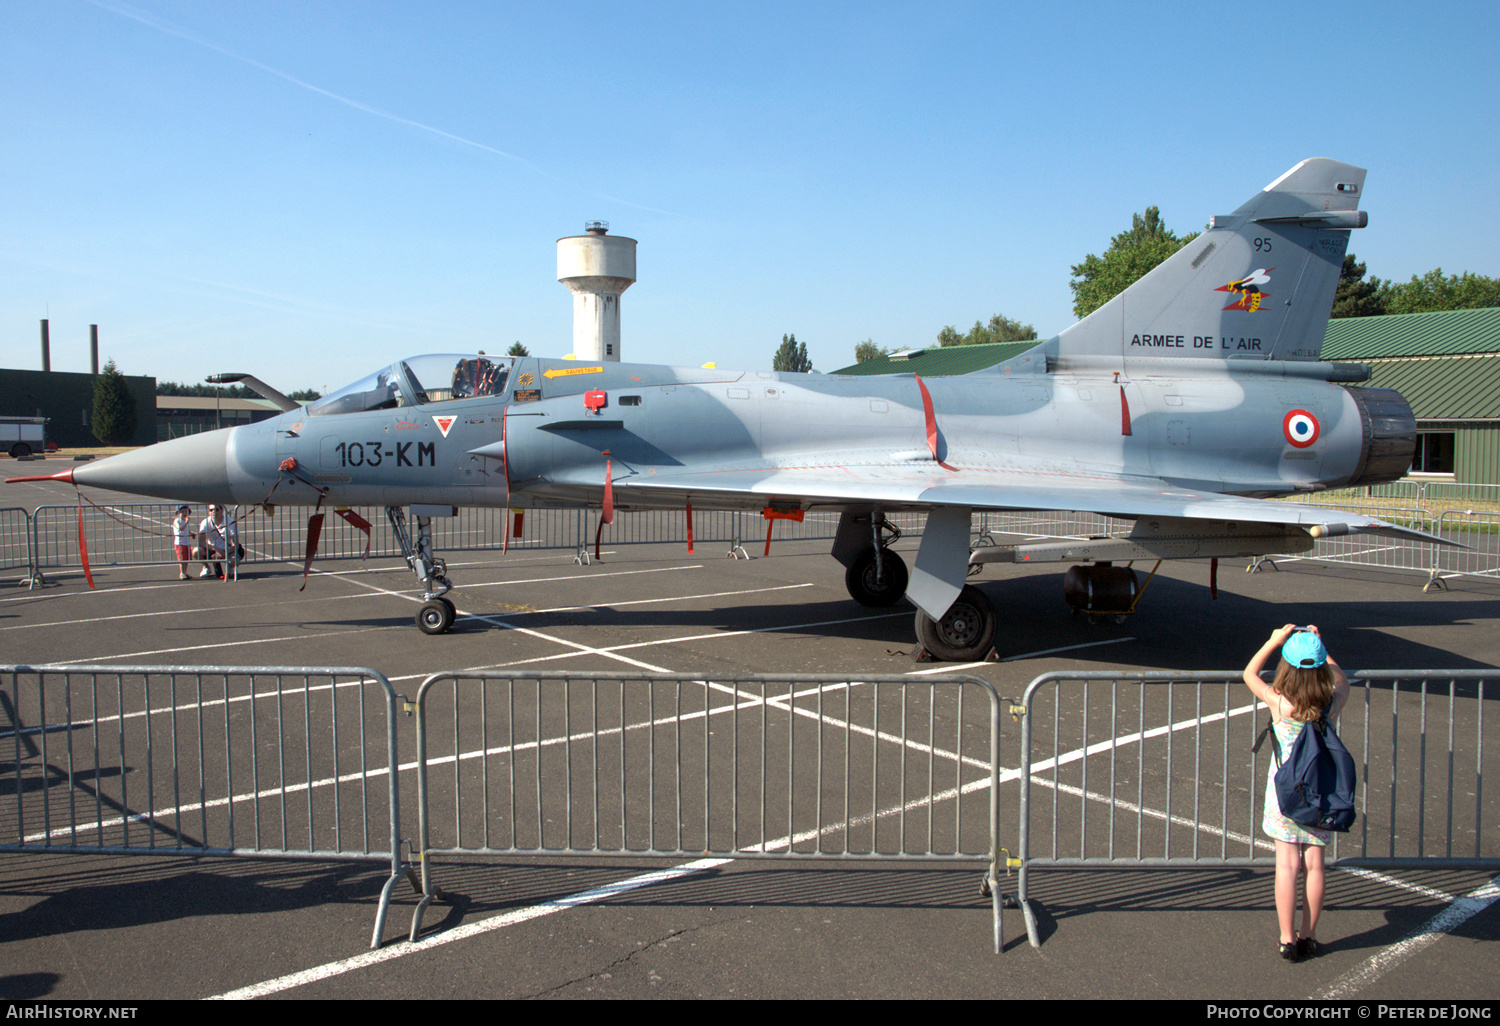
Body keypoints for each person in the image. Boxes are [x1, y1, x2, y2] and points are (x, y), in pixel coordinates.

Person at [1242, 624, 1350, 963]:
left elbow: (1249, 672)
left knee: (1287, 866)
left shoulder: (1279, 702)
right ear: (1319, 668)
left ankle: (1287, 939)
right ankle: (1310, 935)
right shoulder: (1329, 703)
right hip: (1320, 792)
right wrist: (1320, 645)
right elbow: (1342, 679)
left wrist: (1273, 640)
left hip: (1285, 793)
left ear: (1288, 666)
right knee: (1314, 864)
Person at [196, 504, 239, 579]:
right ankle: (206, 567)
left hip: (228, 550)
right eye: (211, 510)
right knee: (196, 551)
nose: (214, 512)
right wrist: (216, 549)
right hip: (213, 549)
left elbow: (235, 544)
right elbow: (201, 541)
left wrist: (225, 552)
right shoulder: (205, 522)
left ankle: (230, 567)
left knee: (233, 560)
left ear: (222, 510)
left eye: (216, 509)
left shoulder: (230, 522)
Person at [171, 505, 195, 580]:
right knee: (182, 558)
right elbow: (181, 528)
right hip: (180, 542)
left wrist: (191, 534)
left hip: (186, 542)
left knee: (186, 558)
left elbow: (187, 530)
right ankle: (181, 572)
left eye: (186, 512)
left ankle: (185, 572)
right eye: (182, 512)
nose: (184, 513)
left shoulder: (185, 521)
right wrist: (186, 522)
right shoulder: (177, 521)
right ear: (178, 513)